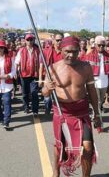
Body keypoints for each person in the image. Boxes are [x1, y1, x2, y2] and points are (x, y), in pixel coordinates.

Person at [42, 36, 100, 177]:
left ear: (79, 51)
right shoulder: (53, 68)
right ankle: (56, 172)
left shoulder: (86, 67)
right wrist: (48, 89)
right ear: (61, 50)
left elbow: (92, 91)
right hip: (62, 112)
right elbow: (44, 93)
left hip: (81, 112)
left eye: (74, 51)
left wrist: (97, 114)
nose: (71, 55)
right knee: (59, 146)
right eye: (67, 51)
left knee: (88, 147)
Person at [85, 36, 109, 114]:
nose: (101, 47)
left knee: (101, 101)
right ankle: (97, 117)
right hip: (93, 83)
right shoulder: (89, 55)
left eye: (103, 45)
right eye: (99, 45)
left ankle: (96, 113)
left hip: (104, 84)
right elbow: (85, 71)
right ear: (95, 45)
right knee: (97, 101)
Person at [15, 34, 40, 116]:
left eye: (31, 39)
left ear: (33, 40)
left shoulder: (37, 50)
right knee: (25, 93)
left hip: (34, 75)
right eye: (28, 40)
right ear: (25, 41)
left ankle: (35, 110)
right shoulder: (21, 50)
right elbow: (17, 63)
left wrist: (40, 76)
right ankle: (26, 107)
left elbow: (41, 64)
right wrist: (16, 73)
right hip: (24, 75)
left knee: (34, 93)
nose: (29, 41)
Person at [39, 33, 63, 115]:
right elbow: (41, 65)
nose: (59, 42)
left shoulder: (65, 52)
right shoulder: (46, 52)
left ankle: (58, 112)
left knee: (59, 97)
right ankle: (48, 109)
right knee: (47, 98)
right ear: (53, 41)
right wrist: (40, 79)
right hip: (48, 77)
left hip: (61, 78)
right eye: (57, 40)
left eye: (61, 40)